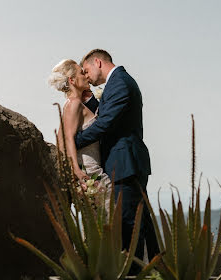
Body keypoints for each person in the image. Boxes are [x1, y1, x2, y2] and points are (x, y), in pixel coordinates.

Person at [75, 49, 158, 274]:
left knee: (129, 225)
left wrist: (73, 142)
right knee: (142, 223)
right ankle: (155, 271)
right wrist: (91, 102)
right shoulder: (117, 84)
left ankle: (132, 274)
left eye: (86, 70)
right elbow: (107, 115)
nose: (86, 76)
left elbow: (106, 124)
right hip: (125, 162)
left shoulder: (120, 82)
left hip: (125, 162)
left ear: (98, 63)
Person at [48, 59, 110, 187]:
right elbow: (68, 138)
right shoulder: (75, 104)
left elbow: (60, 140)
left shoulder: (70, 104)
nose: (86, 76)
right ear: (72, 80)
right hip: (90, 171)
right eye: (82, 73)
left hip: (90, 167)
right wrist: (76, 170)